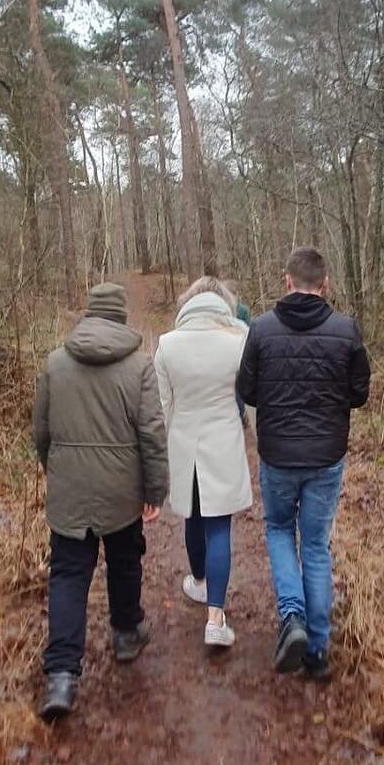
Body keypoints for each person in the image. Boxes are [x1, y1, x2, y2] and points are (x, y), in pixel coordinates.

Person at [32, 282, 168, 722]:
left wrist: (55, 469)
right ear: (121, 317)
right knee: (125, 560)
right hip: (122, 489)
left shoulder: (55, 364)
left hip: (71, 487)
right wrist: (155, 490)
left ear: (88, 315)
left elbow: (42, 432)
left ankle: (62, 676)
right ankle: (126, 634)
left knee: (69, 574)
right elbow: (151, 434)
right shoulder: (139, 367)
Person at [236, 246, 370, 681]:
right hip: (326, 456)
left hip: (278, 455)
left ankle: (291, 616)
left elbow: (248, 391)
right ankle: (316, 650)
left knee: (278, 530)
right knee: (314, 545)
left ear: (286, 280)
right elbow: (359, 393)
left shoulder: (260, 329)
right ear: (325, 284)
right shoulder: (345, 330)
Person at [154, 278, 251, 649]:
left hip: (183, 443)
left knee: (192, 517)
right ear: (222, 303)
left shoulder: (166, 345)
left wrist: (158, 453)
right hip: (223, 441)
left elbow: (163, 407)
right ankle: (215, 617)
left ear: (187, 304)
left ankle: (197, 581)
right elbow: (250, 398)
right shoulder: (238, 341)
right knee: (219, 526)